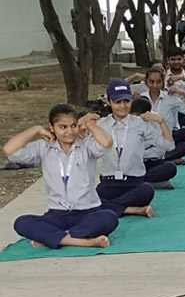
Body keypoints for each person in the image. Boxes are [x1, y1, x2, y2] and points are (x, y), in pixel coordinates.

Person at [3, 104, 119, 248]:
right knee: (21, 222)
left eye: (74, 125)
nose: (70, 131)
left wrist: (89, 124)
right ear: (52, 128)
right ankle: (83, 241)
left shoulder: (86, 144)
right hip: (57, 214)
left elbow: (107, 142)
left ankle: (53, 236)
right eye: (63, 127)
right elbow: (9, 150)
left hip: (87, 212)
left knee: (109, 217)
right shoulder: (43, 147)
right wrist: (36, 129)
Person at [95, 79, 174, 217]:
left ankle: (109, 207)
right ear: (109, 102)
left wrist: (161, 121)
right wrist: (84, 122)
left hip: (134, 183)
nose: (122, 106)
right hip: (109, 183)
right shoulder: (100, 125)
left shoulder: (140, 123)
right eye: (117, 102)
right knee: (93, 195)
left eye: (126, 101)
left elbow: (169, 145)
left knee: (147, 190)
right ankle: (132, 209)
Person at [130, 97, 180, 189]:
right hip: (135, 163)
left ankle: (140, 182)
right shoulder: (127, 124)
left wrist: (144, 151)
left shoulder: (155, 121)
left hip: (153, 161)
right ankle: (148, 183)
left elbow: (161, 150)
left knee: (170, 167)